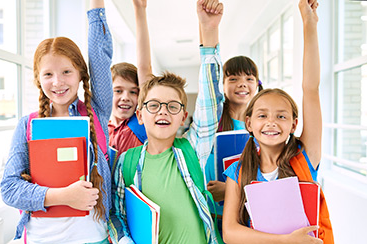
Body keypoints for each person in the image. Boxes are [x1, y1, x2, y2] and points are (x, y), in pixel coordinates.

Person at [108, 1, 224, 242]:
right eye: (154, 105)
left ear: (183, 117)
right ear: (140, 115)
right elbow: (117, 213)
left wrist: (209, 31)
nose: (163, 112)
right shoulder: (126, 163)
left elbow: (210, 103)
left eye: (173, 107)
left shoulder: (192, 150)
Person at [0, 0, 113, 243]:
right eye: (48, 74)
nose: (57, 82)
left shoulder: (96, 114)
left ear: (81, 73)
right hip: (42, 237)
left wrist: (96, 7)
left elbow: (100, 58)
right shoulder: (27, 125)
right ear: (38, 79)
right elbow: (9, 189)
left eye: (66, 72)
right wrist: (63, 196)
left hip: (92, 237)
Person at [222, 0, 334, 243]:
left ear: (293, 125)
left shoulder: (304, 157)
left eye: (281, 116)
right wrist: (285, 240)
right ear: (249, 124)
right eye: (262, 115)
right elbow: (229, 233)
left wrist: (309, 23)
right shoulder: (238, 171)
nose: (271, 122)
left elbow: (311, 89)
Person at [201, 1, 263, 236]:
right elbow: (208, 69)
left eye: (249, 78)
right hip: (209, 213)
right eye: (233, 79)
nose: (242, 85)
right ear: (222, 85)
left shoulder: (262, 126)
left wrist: (231, 190)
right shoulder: (213, 117)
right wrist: (208, 27)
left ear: (257, 84)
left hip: (245, 217)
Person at [108, 0, 153, 158]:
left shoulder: (142, 122)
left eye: (133, 92)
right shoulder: (100, 129)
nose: (125, 97)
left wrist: (140, 10)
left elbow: (145, 67)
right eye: (118, 91)